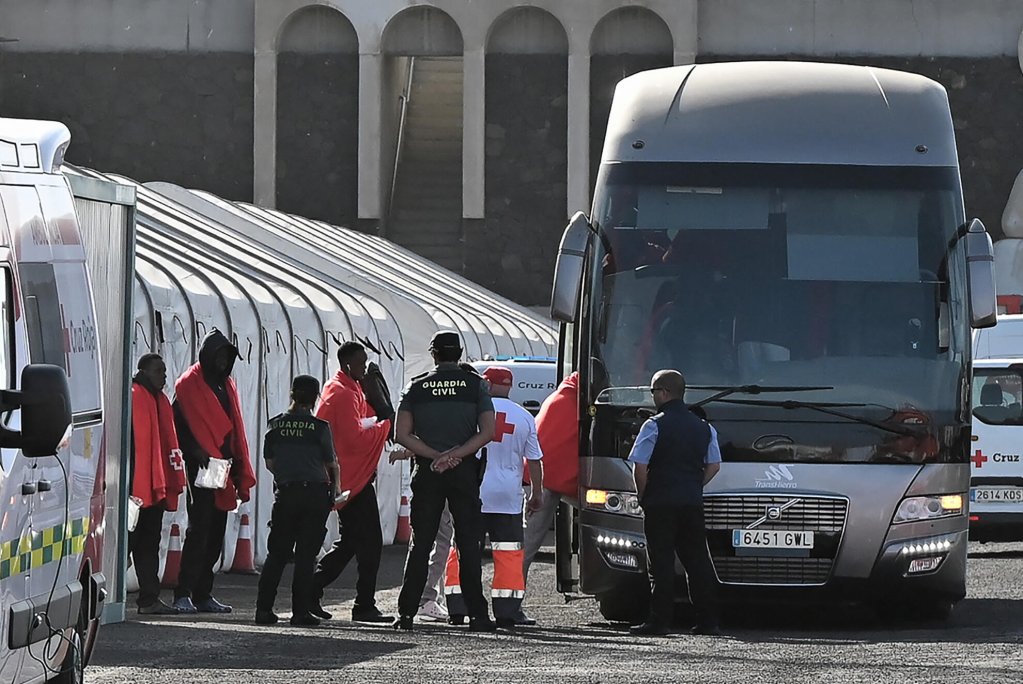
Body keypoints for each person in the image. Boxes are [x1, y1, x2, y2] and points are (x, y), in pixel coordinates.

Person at [392, 331, 497, 632]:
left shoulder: (417, 387)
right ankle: (478, 614)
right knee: (467, 544)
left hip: (427, 471)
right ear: (460, 353)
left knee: (421, 543)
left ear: (434, 354)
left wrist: (436, 456)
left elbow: (401, 434)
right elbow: (487, 431)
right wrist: (456, 455)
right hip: (463, 472)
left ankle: (406, 613)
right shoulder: (476, 386)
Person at [443, 366, 543, 628]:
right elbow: (534, 461)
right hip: (508, 496)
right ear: (510, 386)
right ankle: (507, 611)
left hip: (473, 493)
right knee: (509, 553)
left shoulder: (474, 413)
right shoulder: (524, 417)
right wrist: (537, 493)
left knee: (463, 549)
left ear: (486, 384)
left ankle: (457, 606)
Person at [627, 369, 722, 637]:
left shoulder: (654, 425)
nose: (653, 396)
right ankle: (708, 621)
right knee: (697, 561)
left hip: (660, 502)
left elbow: (640, 467)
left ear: (665, 392)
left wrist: (642, 495)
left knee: (661, 563)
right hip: (691, 502)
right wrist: (694, 486)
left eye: (654, 391)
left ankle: (659, 622)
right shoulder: (704, 427)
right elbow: (714, 465)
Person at [171, 329, 257, 614]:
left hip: (223, 467)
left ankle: (204, 593)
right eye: (219, 355)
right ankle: (183, 592)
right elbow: (178, 425)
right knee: (199, 529)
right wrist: (196, 452)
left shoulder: (226, 385)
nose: (222, 361)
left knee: (217, 530)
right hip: (201, 467)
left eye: (227, 356)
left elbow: (234, 425)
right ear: (208, 355)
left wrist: (236, 463)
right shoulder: (189, 385)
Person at [309, 342, 393, 623]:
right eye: (360, 363)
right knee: (369, 542)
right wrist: (385, 426)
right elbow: (353, 440)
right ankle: (363, 604)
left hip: (349, 478)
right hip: (350, 479)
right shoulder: (343, 393)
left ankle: (312, 590)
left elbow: (355, 424)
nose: (364, 367)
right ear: (347, 366)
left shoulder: (346, 388)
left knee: (351, 542)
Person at [255, 375, 341, 627]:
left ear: (292, 394)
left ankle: (263, 610)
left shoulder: (275, 425)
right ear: (315, 397)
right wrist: (335, 489)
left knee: (277, 554)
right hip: (314, 493)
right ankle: (300, 612)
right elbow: (331, 462)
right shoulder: (319, 427)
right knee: (306, 555)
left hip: (286, 492)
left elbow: (270, 463)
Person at [129, 353, 187, 615]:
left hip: (153, 488)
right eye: (158, 371)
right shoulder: (133, 396)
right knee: (128, 545)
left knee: (148, 544)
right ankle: (111, 600)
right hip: (133, 491)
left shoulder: (160, 401)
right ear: (143, 371)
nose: (164, 376)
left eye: (164, 371)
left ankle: (149, 599)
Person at [522, 371, 580, 622]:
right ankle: (509, 604)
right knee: (525, 546)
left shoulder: (560, 397)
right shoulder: (576, 403)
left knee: (523, 545)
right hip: (543, 482)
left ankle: (508, 602)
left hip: (537, 479)